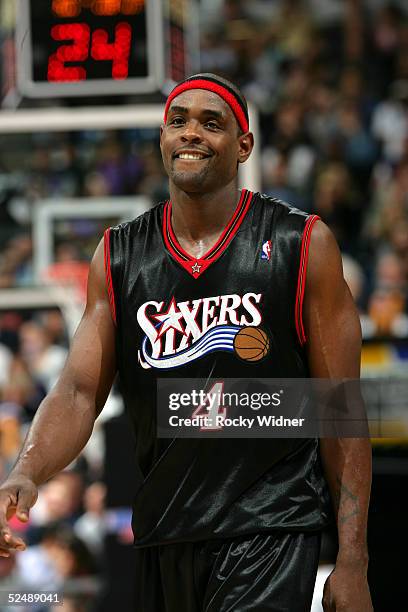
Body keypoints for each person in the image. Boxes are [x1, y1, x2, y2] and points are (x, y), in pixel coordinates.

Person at [0, 74, 372, 611]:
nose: (191, 133)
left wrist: (354, 559)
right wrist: (27, 468)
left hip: (269, 528)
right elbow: (79, 392)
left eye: (211, 123)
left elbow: (342, 407)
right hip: (165, 530)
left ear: (244, 145)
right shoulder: (119, 255)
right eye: (179, 121)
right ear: (161, 138)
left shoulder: (301, 244)